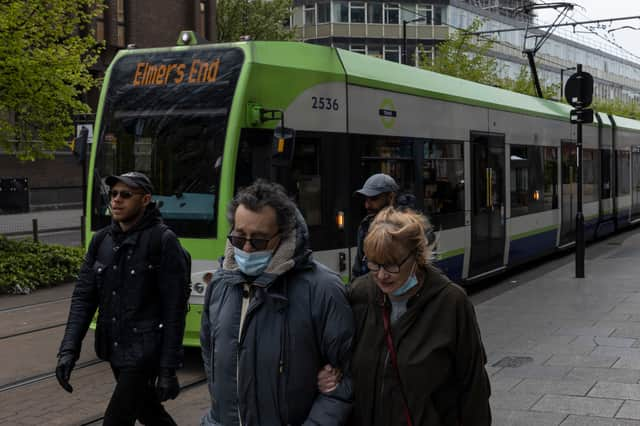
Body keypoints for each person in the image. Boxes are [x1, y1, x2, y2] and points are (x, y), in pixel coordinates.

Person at [200, 179, 354, 426]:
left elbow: (346, 378)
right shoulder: (220, 286)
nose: (247, 249)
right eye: (239, 238)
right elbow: (211, 359)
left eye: (259, 240)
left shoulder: (323, 289)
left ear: (283, 236)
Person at [322, 207, 491, 425]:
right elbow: (340, 358)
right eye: (374, 263)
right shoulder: (360, 294)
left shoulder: (451, 303)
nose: (382, 275)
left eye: (392, 264)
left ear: (416, 256)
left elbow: (473, 387)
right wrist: (329, 372)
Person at [56, 172, 189, 426]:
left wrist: (168, 369)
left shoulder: (163, 241)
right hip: (114, 347)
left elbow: (175, 311)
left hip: (145, 352)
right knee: (150, 413)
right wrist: (68, 351)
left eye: (126, 195)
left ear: (145, 199)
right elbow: (83, 298)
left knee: (116, 420)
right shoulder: (101, 240)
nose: (116, 200)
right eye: (113, 194)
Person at [352, 173, 399, 278]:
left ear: (390, 197)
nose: (367, 205)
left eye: (373, 199)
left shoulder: (410, 228)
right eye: (366, 199)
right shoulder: (365, 226)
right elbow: (358, 269)